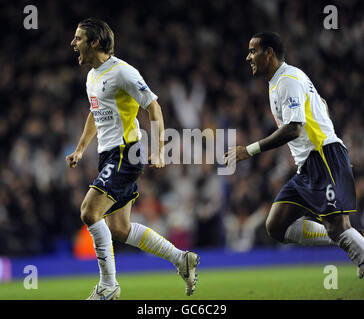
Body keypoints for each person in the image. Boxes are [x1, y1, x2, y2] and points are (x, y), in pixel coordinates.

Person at [67, 18, 199, 300]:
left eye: (78, 38)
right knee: (119, 229)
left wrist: (161, 149)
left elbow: (154, 108)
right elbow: (95, 113)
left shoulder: (123, 72)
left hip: (127, 152)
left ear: (95, 42)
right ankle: (181, 259)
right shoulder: (92, 77)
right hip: (108, 155)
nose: (73, 43)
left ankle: (108, 286)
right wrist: (80, 149)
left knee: (89, 212)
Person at [225, 31, 364, 278]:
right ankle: (347, 239)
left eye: (253, 51)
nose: (248, 57)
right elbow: (320, 103)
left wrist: (249, 150)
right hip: (308, 165)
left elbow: (293, 128)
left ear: (269, 54)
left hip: (322, 156)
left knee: (338, 227)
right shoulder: (282, 81)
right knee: (276, 226)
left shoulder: (288, 79)